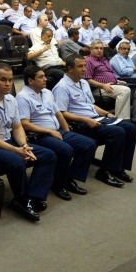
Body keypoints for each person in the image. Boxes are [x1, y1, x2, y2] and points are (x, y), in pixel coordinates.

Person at [0, 63, 56, 222]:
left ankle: (32, 197)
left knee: (48, 155)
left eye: (10, 80)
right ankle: (22, 199)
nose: (8, 84)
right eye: (3, 80)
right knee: (17, 161)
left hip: (9, 142)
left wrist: (23, 145)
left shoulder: (11, 99)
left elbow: (17, 127)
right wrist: (17, 151)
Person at [53, 54, 136, 188]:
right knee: (117, 132)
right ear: (69, 69)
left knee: (131, 128)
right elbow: (61, 113)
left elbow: (91, 105)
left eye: (85, 66)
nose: (84, 69)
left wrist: (106, 113)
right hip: (81, 123)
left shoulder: (84, 82)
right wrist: (86, 120)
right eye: (80, 66)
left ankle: (119, 168)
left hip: (96, 117)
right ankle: (105, 171)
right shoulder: (61, 87)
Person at [16, 66, 97, 200]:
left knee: (88, 144)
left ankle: (69, 179)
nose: (45, 79)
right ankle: (59, 185)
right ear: (30, 80)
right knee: (66, 150)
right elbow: (25, 124)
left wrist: (67, 133)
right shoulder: (22, 97)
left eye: (44, 76)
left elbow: (59, 114)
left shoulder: (47, 92)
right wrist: (49, 131)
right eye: (41, 77)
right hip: (39, 135)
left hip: (56, 131)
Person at [84, 40, 136, 128]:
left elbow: (110, 74)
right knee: (125, 90)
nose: (99, 50)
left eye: (101, 48)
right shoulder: (89, 61)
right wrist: (103, 85)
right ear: (91, 49)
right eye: (96, 48)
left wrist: (117, 81)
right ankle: (121, 122)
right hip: (99, 89)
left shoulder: (104, 60)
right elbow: (87, 79)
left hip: (112, 85)